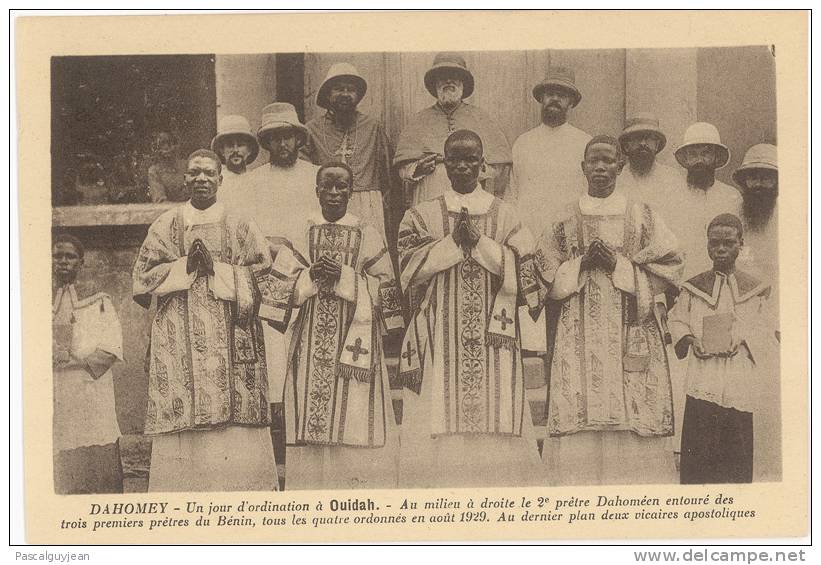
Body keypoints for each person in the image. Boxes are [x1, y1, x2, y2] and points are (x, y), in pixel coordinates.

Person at [532, 135, 683, 485]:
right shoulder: (563, 219)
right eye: (593, 160)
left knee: (630, 413)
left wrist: (619, 264)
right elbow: (542, 276)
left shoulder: (641, 215)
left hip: (630, 330)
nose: (600, 167)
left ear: (620, 165)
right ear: (582, 167)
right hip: (576, 333)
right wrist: (581, 264)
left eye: (608, 160)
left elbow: (671, 265)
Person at [396, 129, 543, 488]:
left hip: (496, 337)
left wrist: (480, 244)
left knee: (498, 406)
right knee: (437, 408)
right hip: (438, 334)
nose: (463, 166)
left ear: (483, 165)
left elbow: (530, 275)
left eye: (470, 159)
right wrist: (449, 244)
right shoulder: (421, 215)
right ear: (444, 164)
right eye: (455, 159)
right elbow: (406, 271)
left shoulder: (507, 215)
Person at [133, 149, 277, 492]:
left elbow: (267, 275)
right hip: (178, 339)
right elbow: (141, 278)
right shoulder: (166, 224)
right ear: (184, 179)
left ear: (220, 180)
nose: (201, 179)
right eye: (194, 173)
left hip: (233, 336)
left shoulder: (240, 223)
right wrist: (184, 266)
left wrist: (218, 270)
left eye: (209, 173)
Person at [264, 162, 404, 489]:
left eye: (342, 187)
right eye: (327, 186)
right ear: (316, 191)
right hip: (310, 342)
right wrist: (310, 277)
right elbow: (275, 296)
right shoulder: (301, 231)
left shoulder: (367, 233)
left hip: (355, 340)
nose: (335, 193)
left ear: (351, 192)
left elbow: (387, 289)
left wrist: (344, 277)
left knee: (354, 416)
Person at [220, 103, 320, 413]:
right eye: (274, 138)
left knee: (311, 344)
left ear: (298, 139)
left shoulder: (316, 175)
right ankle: (277, 418)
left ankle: (308, 412)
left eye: (287, 136)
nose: (282, 144)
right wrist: (272, 245)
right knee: (275, 347)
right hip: (271, 273)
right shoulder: (254, 181)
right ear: (265, 143)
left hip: (310, 270)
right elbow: (246, 228)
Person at [669, 214, 776, 484]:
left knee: (735, 458)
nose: (720, 248)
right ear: (707, 245)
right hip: (703, 379)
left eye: (728, 242)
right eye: (714, 242)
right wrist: (692, 341)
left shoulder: (755, 289)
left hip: (738, 381)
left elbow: (767, 327)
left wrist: (741, 339)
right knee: (698, 457)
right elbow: (677, 320)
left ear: (741, 244)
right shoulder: (693, 288)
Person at [510, 66, 592, 353]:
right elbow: (514, 194)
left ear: (571, 102)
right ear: (541, 99)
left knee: (565, 316)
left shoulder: (584, 143)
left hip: (567, 245)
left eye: (561, 95)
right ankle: (534, 372)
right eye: (549, 94)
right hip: (530, 241)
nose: (554, 100)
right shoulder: (524, 142)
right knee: (531, 317)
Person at [52, 233, 124, 494]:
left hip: (89, 389)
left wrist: (74, 363)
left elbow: (111, 347)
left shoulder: (99, 300)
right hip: (56, 391)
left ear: (81, 263)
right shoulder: (36, 299)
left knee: (95, 445)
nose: (62, 262)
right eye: (57, 256)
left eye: (69, 257)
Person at [394, 53, 512, 205]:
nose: (448, 81)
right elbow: (403, 168)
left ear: (463, 83)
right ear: (435, 84)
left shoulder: (481, 118)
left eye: (454, 76)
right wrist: (418, 169)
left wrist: (476, 171)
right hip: (431, 193)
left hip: (471, 195)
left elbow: (499, 166)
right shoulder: (418, 121)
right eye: (442, 77)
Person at [302, 63, 395, 239]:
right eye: (338, 89)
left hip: (366, 204)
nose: (345, 94)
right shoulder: (311, 130)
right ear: (328, 94)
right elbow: (303, 176)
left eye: (350, 89)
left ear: (358, 96)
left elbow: (388, 175)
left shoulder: (373, 127)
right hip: (327, 201)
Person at [672, 122, 743, 278]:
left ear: (716, 157)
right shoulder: (672, 196)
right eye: (693, 154)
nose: (699, 160)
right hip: (681, 283)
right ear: (686, 159)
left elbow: (741, 245)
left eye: (706, 153)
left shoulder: (732, 196)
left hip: (723, 283)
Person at [616, 113, 681, 221]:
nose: (643, 143)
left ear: (656, 145)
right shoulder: (617, 179)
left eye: (648, 138)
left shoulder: (672, 178)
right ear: (626, 146)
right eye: (637, 138)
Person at [210, 114, 259, 188]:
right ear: (222, 150)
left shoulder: (257, 180)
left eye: (240, 145)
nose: (235, 150)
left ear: (249, 150)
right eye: (230, 145)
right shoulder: (215, 181)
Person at [147, 130, 189, 203]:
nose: (166, 148)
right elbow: (160, 200)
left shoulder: (187, 166)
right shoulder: (154, 171)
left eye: (169, 143)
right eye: (161, 145)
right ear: (156, 150)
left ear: (176, 146)